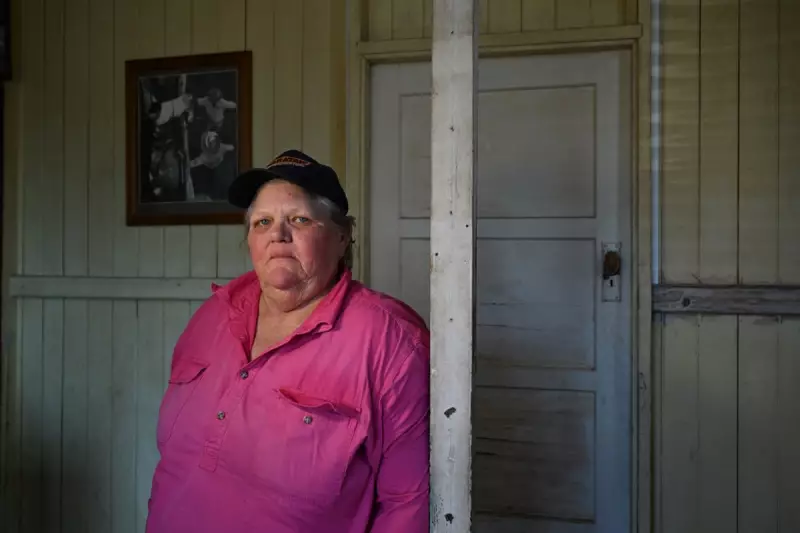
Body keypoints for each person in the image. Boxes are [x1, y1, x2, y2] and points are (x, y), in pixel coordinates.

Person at [145, 149, 430, 533]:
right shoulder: (212, 316)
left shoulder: (391, 340)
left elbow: (406, 505)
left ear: (342, 236)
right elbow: (173, 467)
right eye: (262, 222)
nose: (277, 234)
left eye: (299, 219)